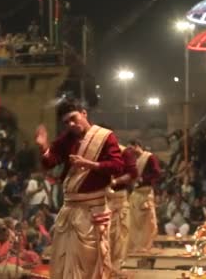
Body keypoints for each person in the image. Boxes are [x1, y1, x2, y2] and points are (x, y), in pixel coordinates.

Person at [34, 99, 124, 279]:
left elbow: (117, 166)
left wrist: (89, 164)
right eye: (66, 122)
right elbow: (51, 161)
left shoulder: (105, 137)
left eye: (73, 118)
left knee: (91, 261)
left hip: (93, 210)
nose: (71, 124)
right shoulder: (67, 139)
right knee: (64, 259)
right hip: (70, 209)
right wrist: (43, 146)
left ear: (84, 113)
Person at [107, 144, 138, 274]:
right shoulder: (96, 151)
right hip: (100, 198)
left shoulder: (124, 152)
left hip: (118, 197)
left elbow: (132, 173)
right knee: (104, 235)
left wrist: (114, 182)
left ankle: (116, 266)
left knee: (119, 234)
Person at [126, 140, 161, 253]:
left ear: (137, 146)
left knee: (148, 221)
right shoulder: (134, 160)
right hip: (136, 193)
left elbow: (157, 172)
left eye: (132, 149)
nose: (131, 152)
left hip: (145, 193)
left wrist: (144, 180)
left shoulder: (149, 157)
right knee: (135, 222)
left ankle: (146, 245)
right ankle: (136, 245)